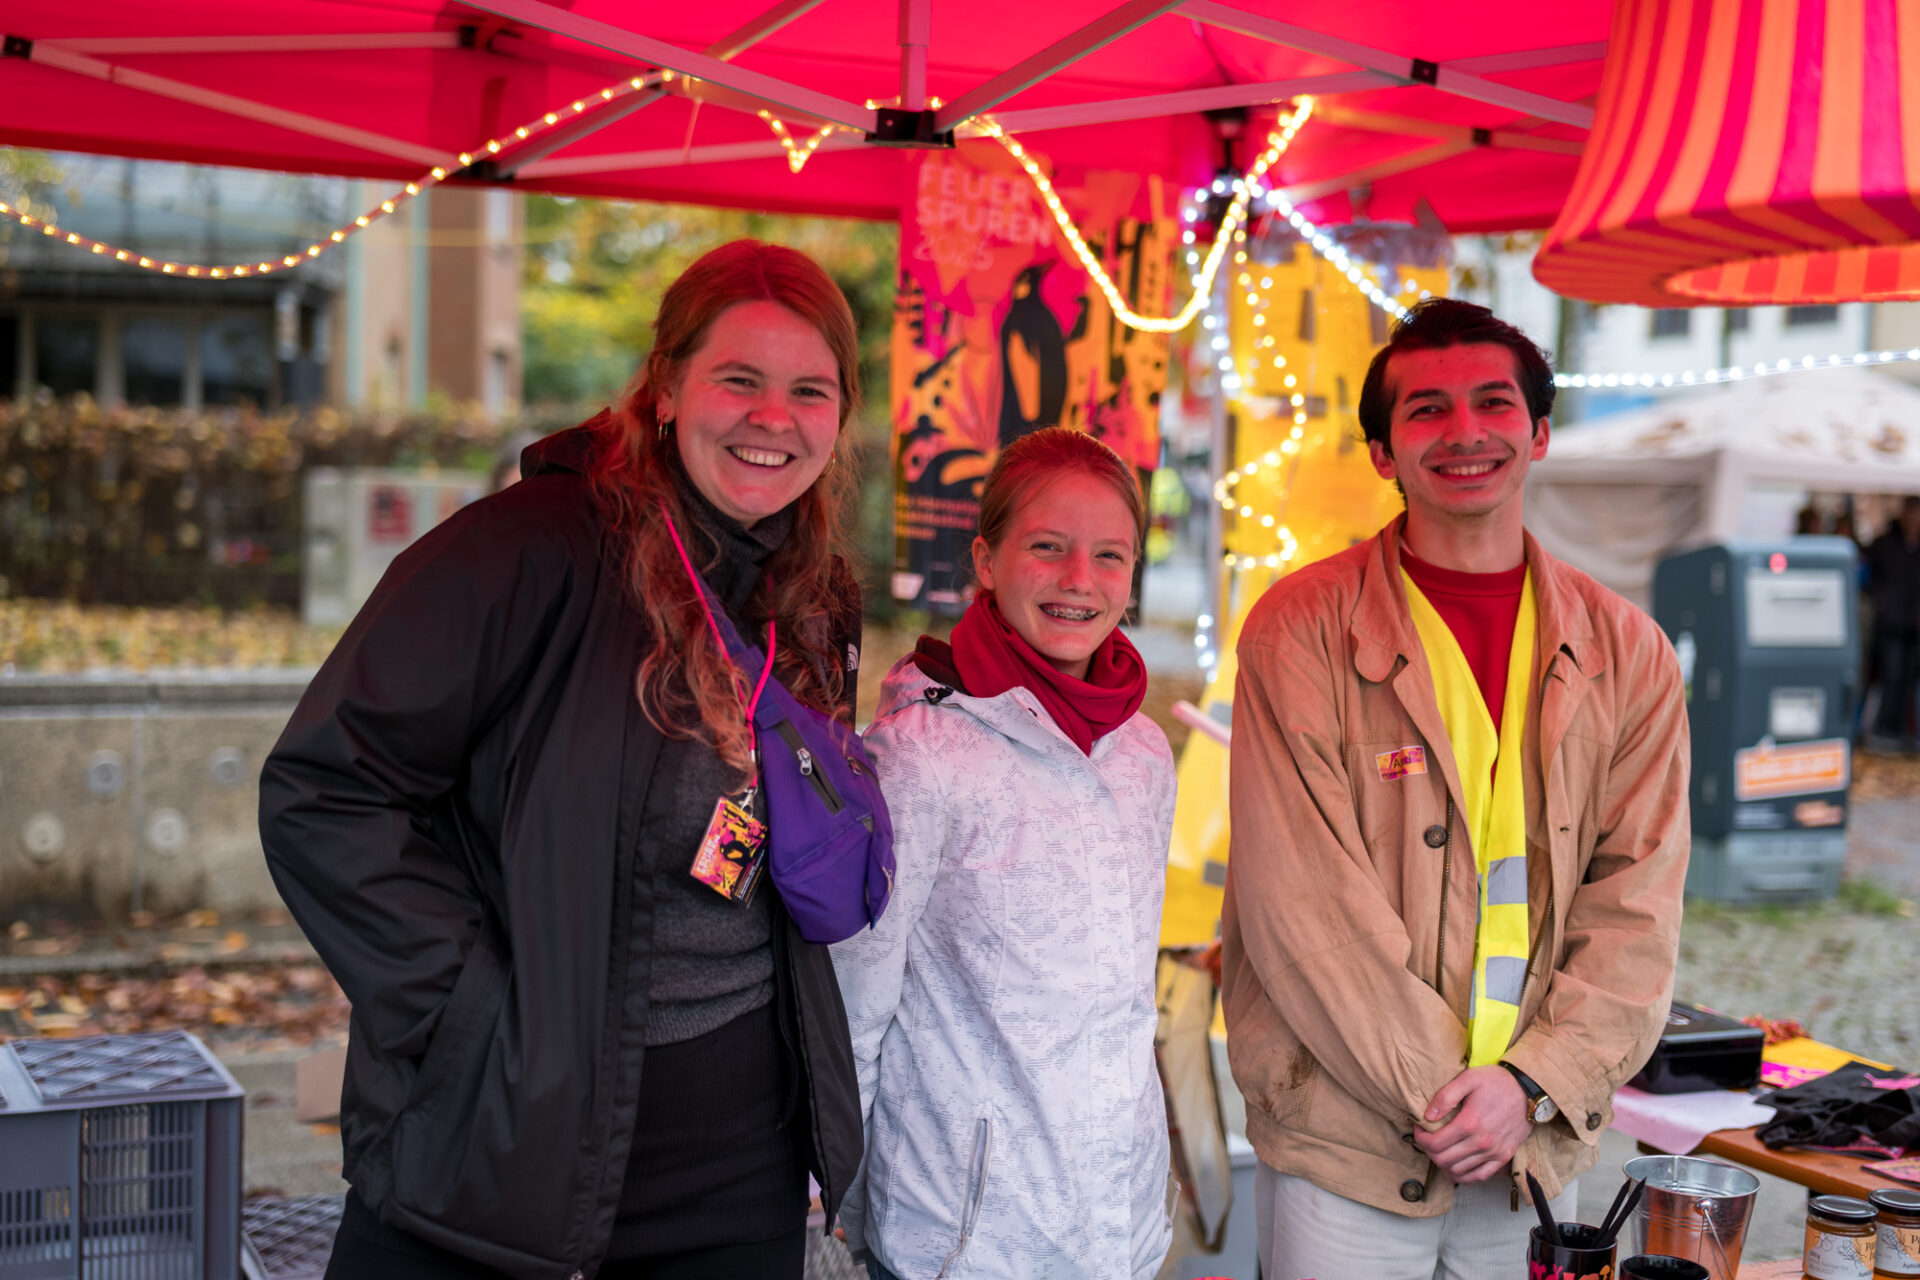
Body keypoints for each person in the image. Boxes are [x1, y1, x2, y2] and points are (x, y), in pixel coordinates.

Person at [259, 240, 868, 1280]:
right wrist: (473, 1021)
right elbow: (328, 788)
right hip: (506, 1162)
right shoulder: (523, 550)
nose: (776, 419)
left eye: (810, 390)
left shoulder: (811, 596)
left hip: (740, 1176)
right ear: (668, 386)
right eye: (740, 379)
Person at [1222, 298, 1690, 1280]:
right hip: (1350, 1143)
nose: (1466, 431)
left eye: (1493, 402)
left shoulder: (1628, 653)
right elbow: (1302, 909)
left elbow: (1637, 908)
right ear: (1385, 452)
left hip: (1529, 1144)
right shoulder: (1299, 628)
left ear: (1541, 431)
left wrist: (1531, 1084)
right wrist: (1461, 1102)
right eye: (1426, 409)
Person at [832, 426, 1177, 1280]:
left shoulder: (1143, 754)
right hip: (962, 1239)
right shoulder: (922, 754)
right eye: (1048, 548)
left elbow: (1129, 1001)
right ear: (985, 559)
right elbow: (856, 1006)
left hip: (1119, 1226)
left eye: (1109, 557)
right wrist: (836, 1201)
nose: (1078, 581)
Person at [1865, 496, 1920, 746]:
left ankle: (1901, 729)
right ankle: (1885, 729)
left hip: (1914, 625)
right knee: (1891, 675)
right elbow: (1869, 576)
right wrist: (1883, 600)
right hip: (1891, 623)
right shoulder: (1885, 543)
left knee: (1909, 679)